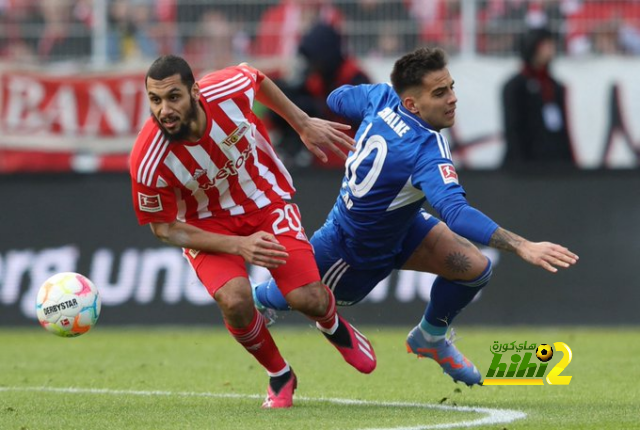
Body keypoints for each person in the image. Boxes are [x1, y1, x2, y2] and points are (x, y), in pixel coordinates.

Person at [253, 47, 579, 386]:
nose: (452, 99)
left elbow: (337, 98)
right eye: (440, 93)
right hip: (350, 253)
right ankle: (257, 299)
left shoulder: (380, 97)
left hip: (402, 228)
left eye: (451, 87)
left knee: (475, 269)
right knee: (292, 295)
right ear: (412, 104)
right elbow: (457, 214)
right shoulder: (427, 151)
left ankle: (430, 337)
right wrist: (522, 245)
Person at [128, 55, 377, 409]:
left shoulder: (224, 89)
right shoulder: (148, 160)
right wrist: (238, 245)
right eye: (155, 100)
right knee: (235, 300)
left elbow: (257, 78)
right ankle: (280, 374)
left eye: (173, 97)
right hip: (207, 226)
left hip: (265, 201)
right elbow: (165, 229)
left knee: (308, 298)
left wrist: (302, 123)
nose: (164, 109)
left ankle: (333, 326)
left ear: (195, 92)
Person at [268, 23, 370, 168]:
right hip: (322, 159)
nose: (313, 63)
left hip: (353, 158)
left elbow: (364, 123)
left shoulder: (354, 77)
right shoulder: (315, 79)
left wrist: (318, 109)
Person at [501, 27, 576, 169]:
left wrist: (570, 162)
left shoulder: (555, 86)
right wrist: (520, 165)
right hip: (526, 164)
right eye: (546, 45)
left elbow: (563, 130)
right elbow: (513, 129)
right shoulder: (516, 86)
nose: (551, 49)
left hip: (555, 162)